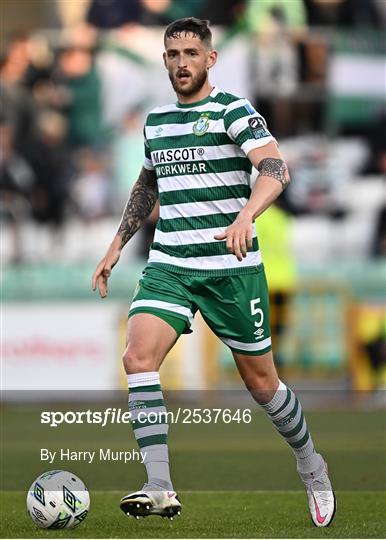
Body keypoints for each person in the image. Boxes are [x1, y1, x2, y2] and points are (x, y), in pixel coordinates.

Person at [92, 17, 336, 527]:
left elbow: (275, 168)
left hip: (230, 270)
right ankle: (159, 484)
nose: (182, 62)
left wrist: (247, 213)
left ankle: (311, 463)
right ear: (164, 61)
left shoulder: (234, 111)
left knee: (263, 384)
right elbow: (146, 185)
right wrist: (116, 244)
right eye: (173, 53)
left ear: (210, 59)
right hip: (171, 265)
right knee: (138, 356)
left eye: (191, 53)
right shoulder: (156, 121)